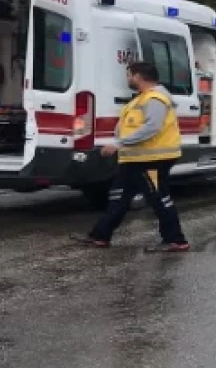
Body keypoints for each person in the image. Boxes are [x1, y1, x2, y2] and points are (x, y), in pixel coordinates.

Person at [73, 62, 190, 252]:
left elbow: (152, 127)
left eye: (129, 75)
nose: (127, 79)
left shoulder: (155, 98)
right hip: (134, 160)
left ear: (138, 76)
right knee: (118, 198)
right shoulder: (141, 99)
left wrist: (119, 144)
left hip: (152, 160)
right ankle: (100, 236)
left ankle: (176, 240)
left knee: (159, 198)